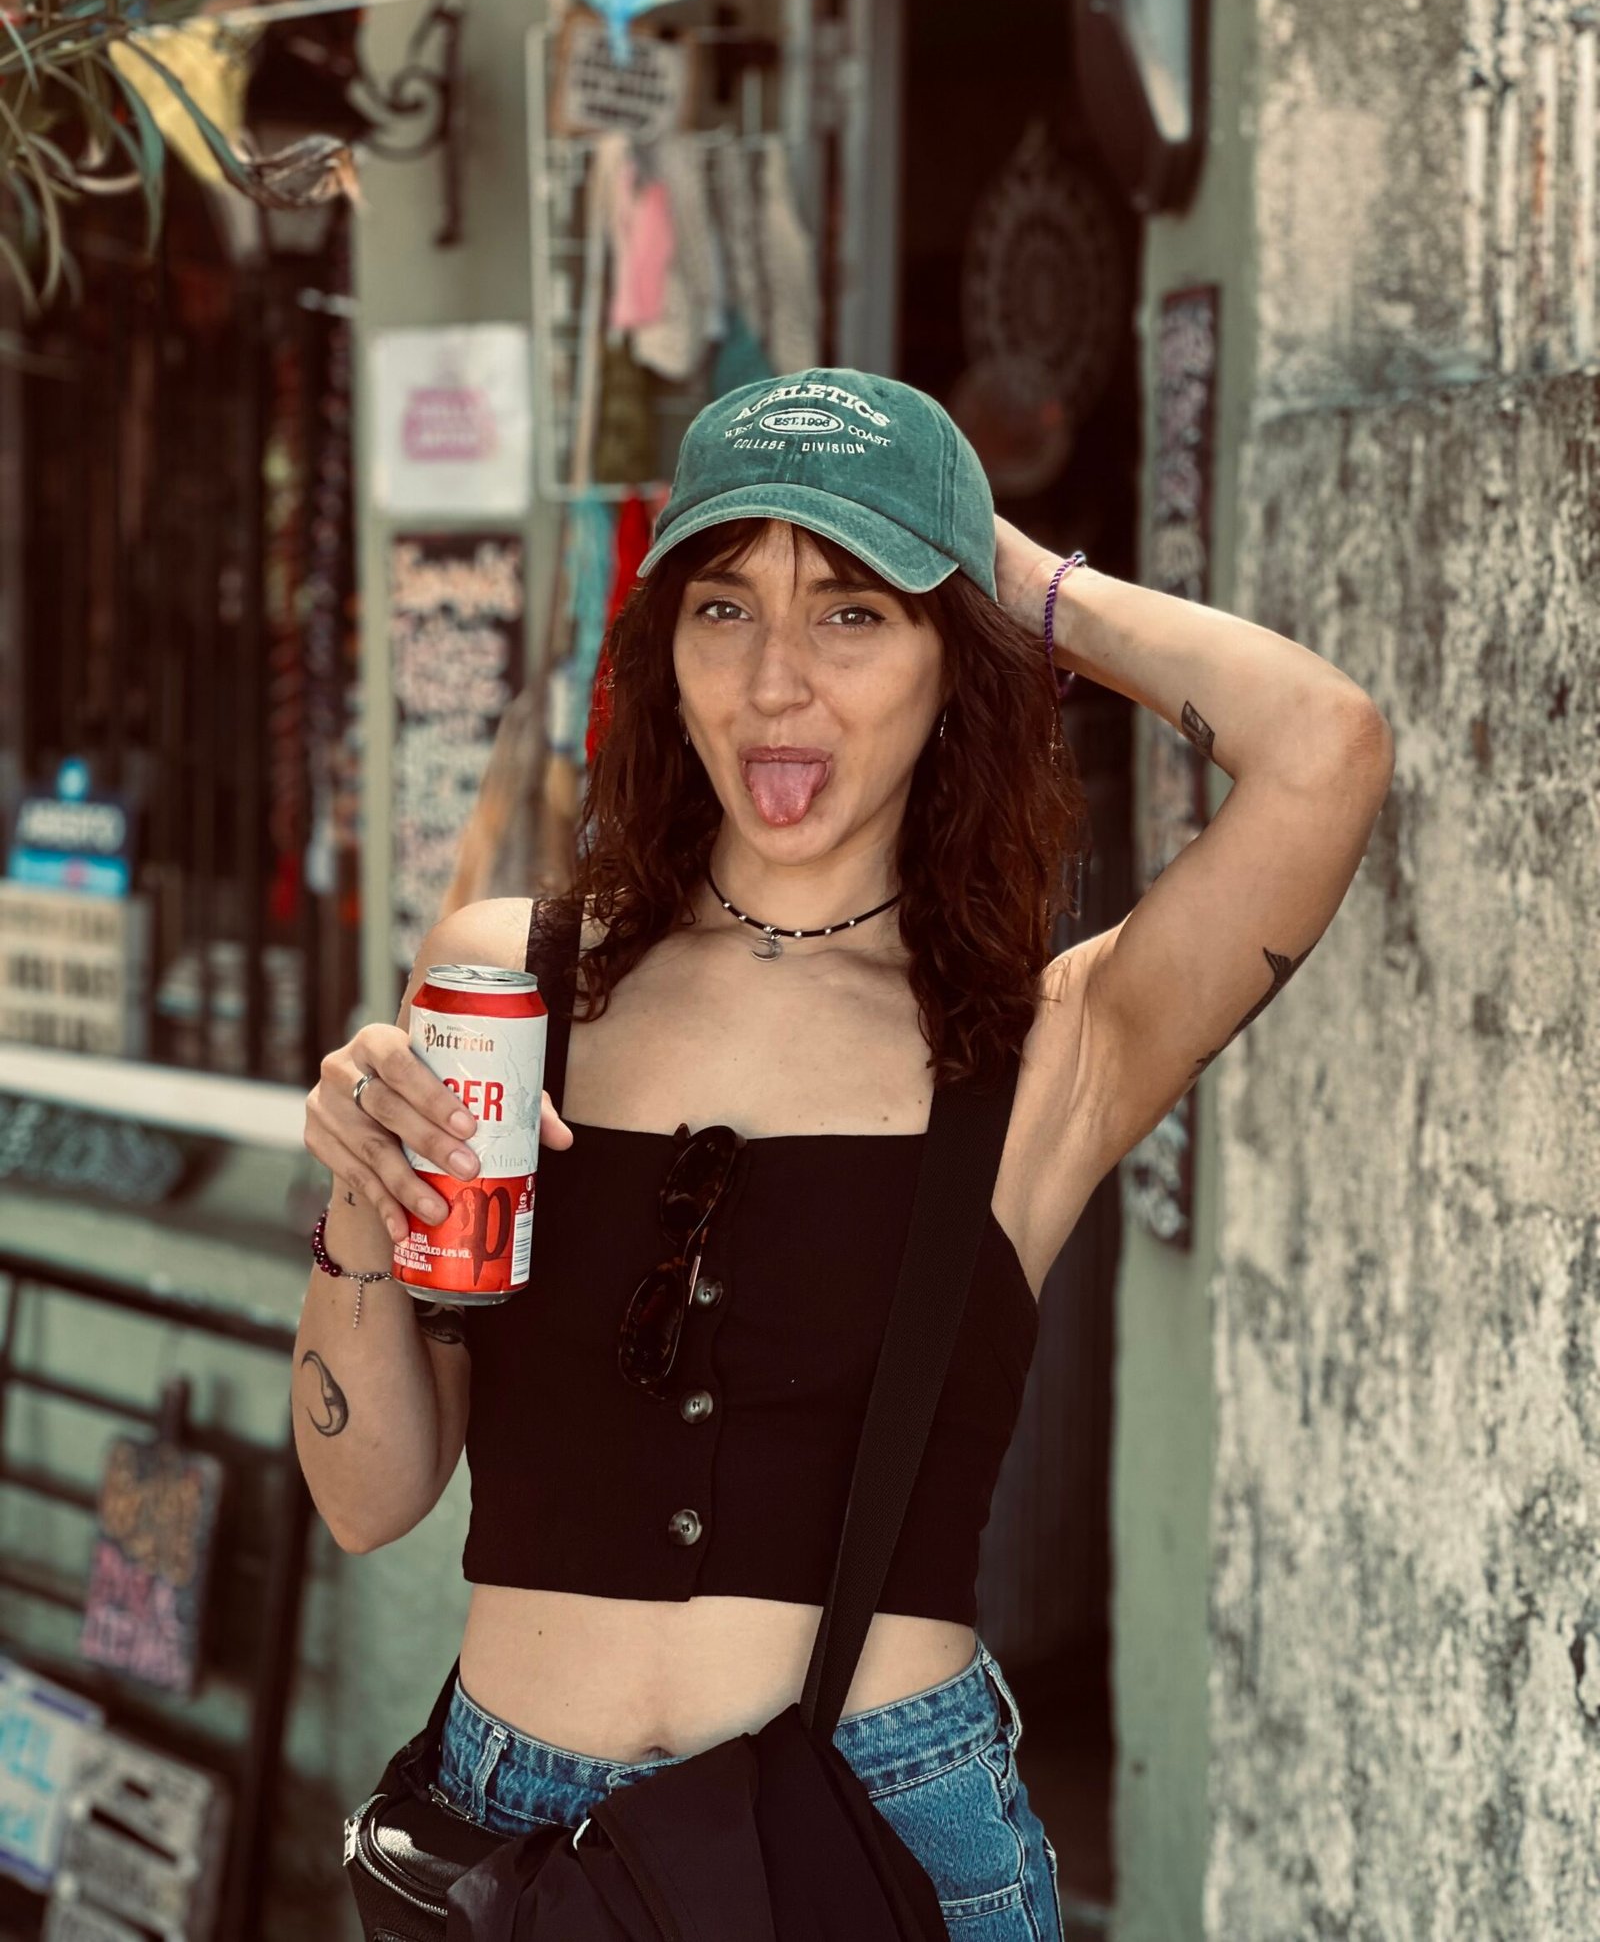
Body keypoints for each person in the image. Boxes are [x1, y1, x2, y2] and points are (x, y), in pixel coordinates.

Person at [295, 369, 1394, 1939]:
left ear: (957, 659)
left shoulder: (1047, 1045)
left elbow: (1326, 748)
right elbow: (369, 1497)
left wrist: (1009, 571)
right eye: (724, 608)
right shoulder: (510, 982)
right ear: (665, 654)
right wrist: (359, 1197)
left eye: (855, 614)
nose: (775, 682)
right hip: (520, 1828)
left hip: (883, 1831)